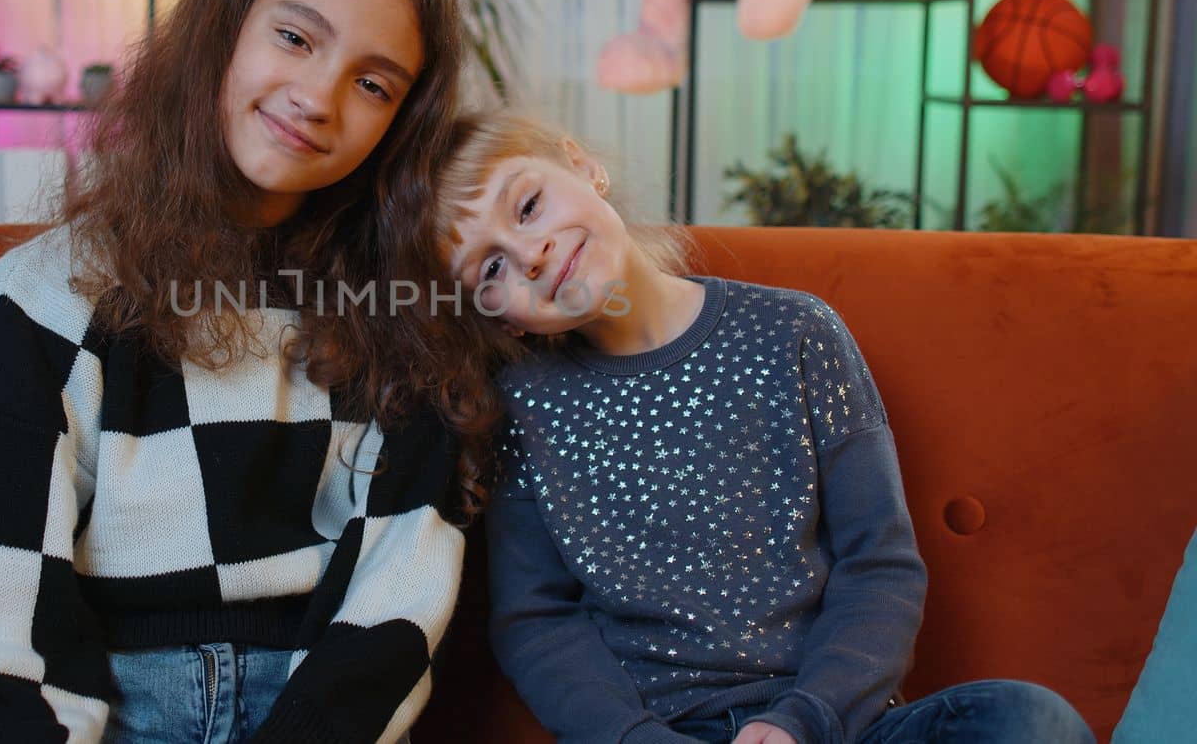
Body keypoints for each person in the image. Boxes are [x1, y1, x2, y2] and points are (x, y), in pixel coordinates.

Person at [0, 0, 494, 744]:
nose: (318, 96)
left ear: (399, 125)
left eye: (373, 83)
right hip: (112, 709)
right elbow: (0, 589)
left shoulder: (402, 308)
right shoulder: (43, 294)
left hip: (324, 714)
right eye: (296, 38)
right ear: (222, 30)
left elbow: (400, 588)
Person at [427, 113, 1095, 744]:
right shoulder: (523, 407)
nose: (531, 254)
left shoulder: (796, 333)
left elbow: (879, 565)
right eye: (491, 269)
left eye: (527, 206)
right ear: (499, 319)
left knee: (1028, 719)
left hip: (831, 725)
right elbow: (537, 621)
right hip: (662, 732)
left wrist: (806, 717)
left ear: (583, 165)